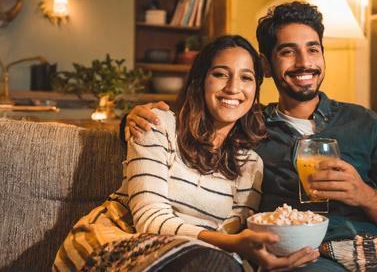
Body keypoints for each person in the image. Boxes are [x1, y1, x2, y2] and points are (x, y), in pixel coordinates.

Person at [126, 2, 377, 271]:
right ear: (266, 66)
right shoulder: (249, 128)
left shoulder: (367, 124)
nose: (304, 62)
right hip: (309, 259)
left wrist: (364, 195)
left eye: (313, 49)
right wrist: (131, 120)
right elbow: (195, 132)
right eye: (288, 52)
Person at [53, 35, 319, 271]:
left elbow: (228, 238)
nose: (233, 88)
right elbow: (150, 220)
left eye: (246, 77)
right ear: (200, 80)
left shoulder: (250, 165)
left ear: (255, 91)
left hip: (196, 258)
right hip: (116, 241)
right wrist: (232, 246)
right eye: (220, 74)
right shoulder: (157, 124)